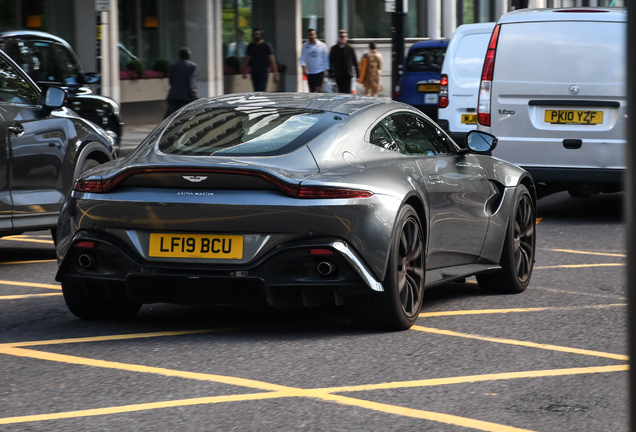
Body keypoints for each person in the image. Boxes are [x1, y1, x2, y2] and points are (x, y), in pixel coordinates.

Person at [164, 47, 197, 118]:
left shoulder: (173, 66)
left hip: (174, 94)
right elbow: (191, 79)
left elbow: (171, 80)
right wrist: (192, 89)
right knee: (186, 114)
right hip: (186, 95)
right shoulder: (192, 66)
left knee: (171, 114)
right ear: (188, 55)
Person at [300, 28, 330, 92]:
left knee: (318, 88)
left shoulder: (322, 45)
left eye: (312, 34)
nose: (311, 37)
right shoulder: (305, 46)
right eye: (309, 35)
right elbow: (302, 58)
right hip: (310, 71)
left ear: (316, 35)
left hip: (319, 70)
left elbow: (325, 58)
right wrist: (304, 69)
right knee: (312, 90)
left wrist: (327, 70)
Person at [329, 29, 358, 94]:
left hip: (347, 74)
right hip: (338, 74)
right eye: (341, 36)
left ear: (347, 38)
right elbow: (330, 62)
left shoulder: (350, 49)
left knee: (347, 91)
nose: (342, 38)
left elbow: (355, 62)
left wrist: (358, 75)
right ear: (338, 38)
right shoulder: (334, 49)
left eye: (344, 36)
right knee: (340, 92)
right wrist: (331, 74)